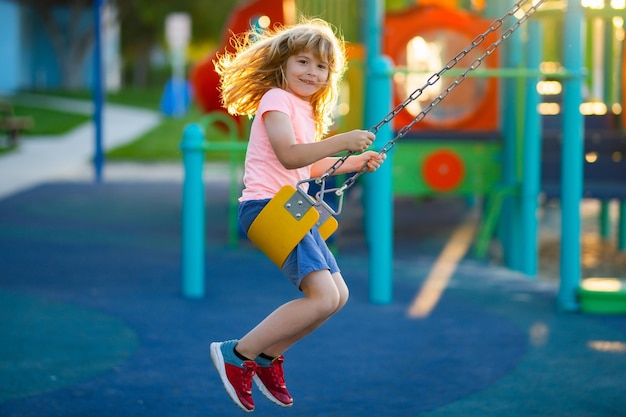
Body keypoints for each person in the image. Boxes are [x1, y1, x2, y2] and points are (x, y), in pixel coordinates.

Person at [210, 18, 386, 412]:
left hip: (291, 206)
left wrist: (354, 160)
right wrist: (342, 140)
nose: (311, 72)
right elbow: (289, 154)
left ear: (330, 75)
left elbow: (306, 167)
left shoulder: (305, 110)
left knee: (337, 296)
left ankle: (267, 358)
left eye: (321, 67)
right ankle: (238, 354)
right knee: (322, 296)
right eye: (303, 62)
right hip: (266, 207)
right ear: (284, 64)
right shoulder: (276, 99)